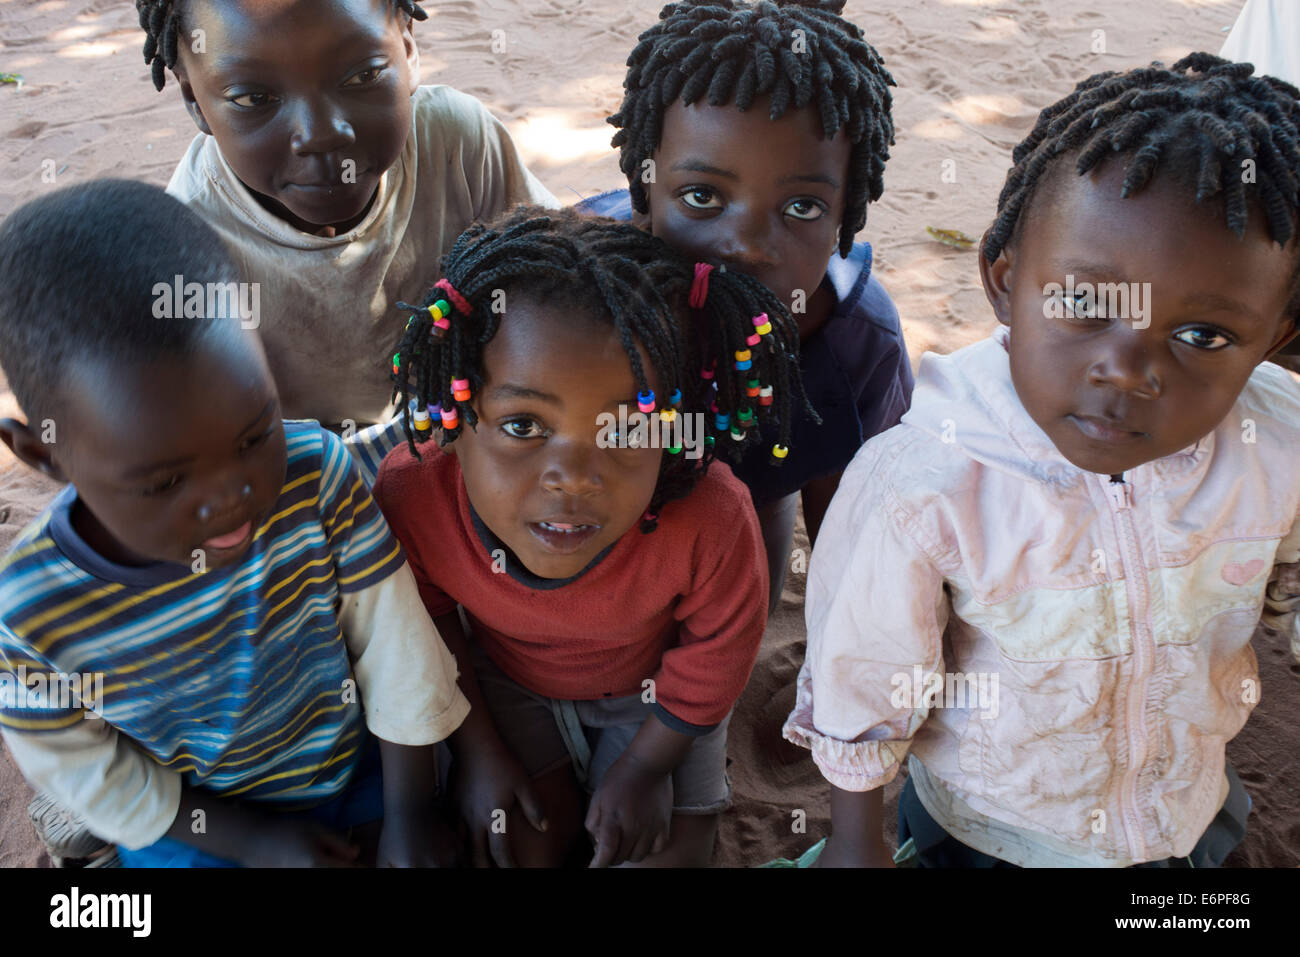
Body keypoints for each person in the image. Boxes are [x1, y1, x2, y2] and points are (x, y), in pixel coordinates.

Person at [784, 54, 1300, 867]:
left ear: (1274, 342)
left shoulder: (1279, 445)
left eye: (1203, 336)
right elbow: (864, 673)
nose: (1127, 370)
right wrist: (858, 844)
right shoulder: (927, 482)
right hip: (990, 829)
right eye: (1085, 304)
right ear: (1004, 280)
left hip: (1184, 811)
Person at [0, 180, 469, 867]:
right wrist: (251, 839)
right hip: (195, 819)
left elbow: (397, 651)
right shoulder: (32, 613)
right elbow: (83, 769)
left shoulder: (315, 476)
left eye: (254, 435)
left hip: (358, 772)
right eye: (163, 480)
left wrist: (409, 814)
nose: (232, 497)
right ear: (43, 453)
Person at [372, 207, 808, 866]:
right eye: (523, 425)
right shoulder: (415, 493)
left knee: (666, 855)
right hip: (508, 688)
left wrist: (649, 764)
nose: (574, 478)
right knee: (516, 845)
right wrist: (480, 750)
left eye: (627, 431)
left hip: (658, 698)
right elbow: (428, 622)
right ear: (456, 417)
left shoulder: (712, 519)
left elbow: (718, 650)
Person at [582, 0, 913, 611]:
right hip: (607, 509)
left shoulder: (856, 344)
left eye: (803, 208)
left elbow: (857, 548)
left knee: (744, 601)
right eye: (702, 195)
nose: (748, 246)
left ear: (848, 214)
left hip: (759, 485)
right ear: (644, 193)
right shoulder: (580, 296)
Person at [136, 0, 558, 433]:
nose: (321, 134)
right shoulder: (188, 247)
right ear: (194, 99)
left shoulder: (455, 144)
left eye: (363, 75)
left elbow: (560, 283)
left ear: (407, 46)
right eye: (253, 98)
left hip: (459, 439)